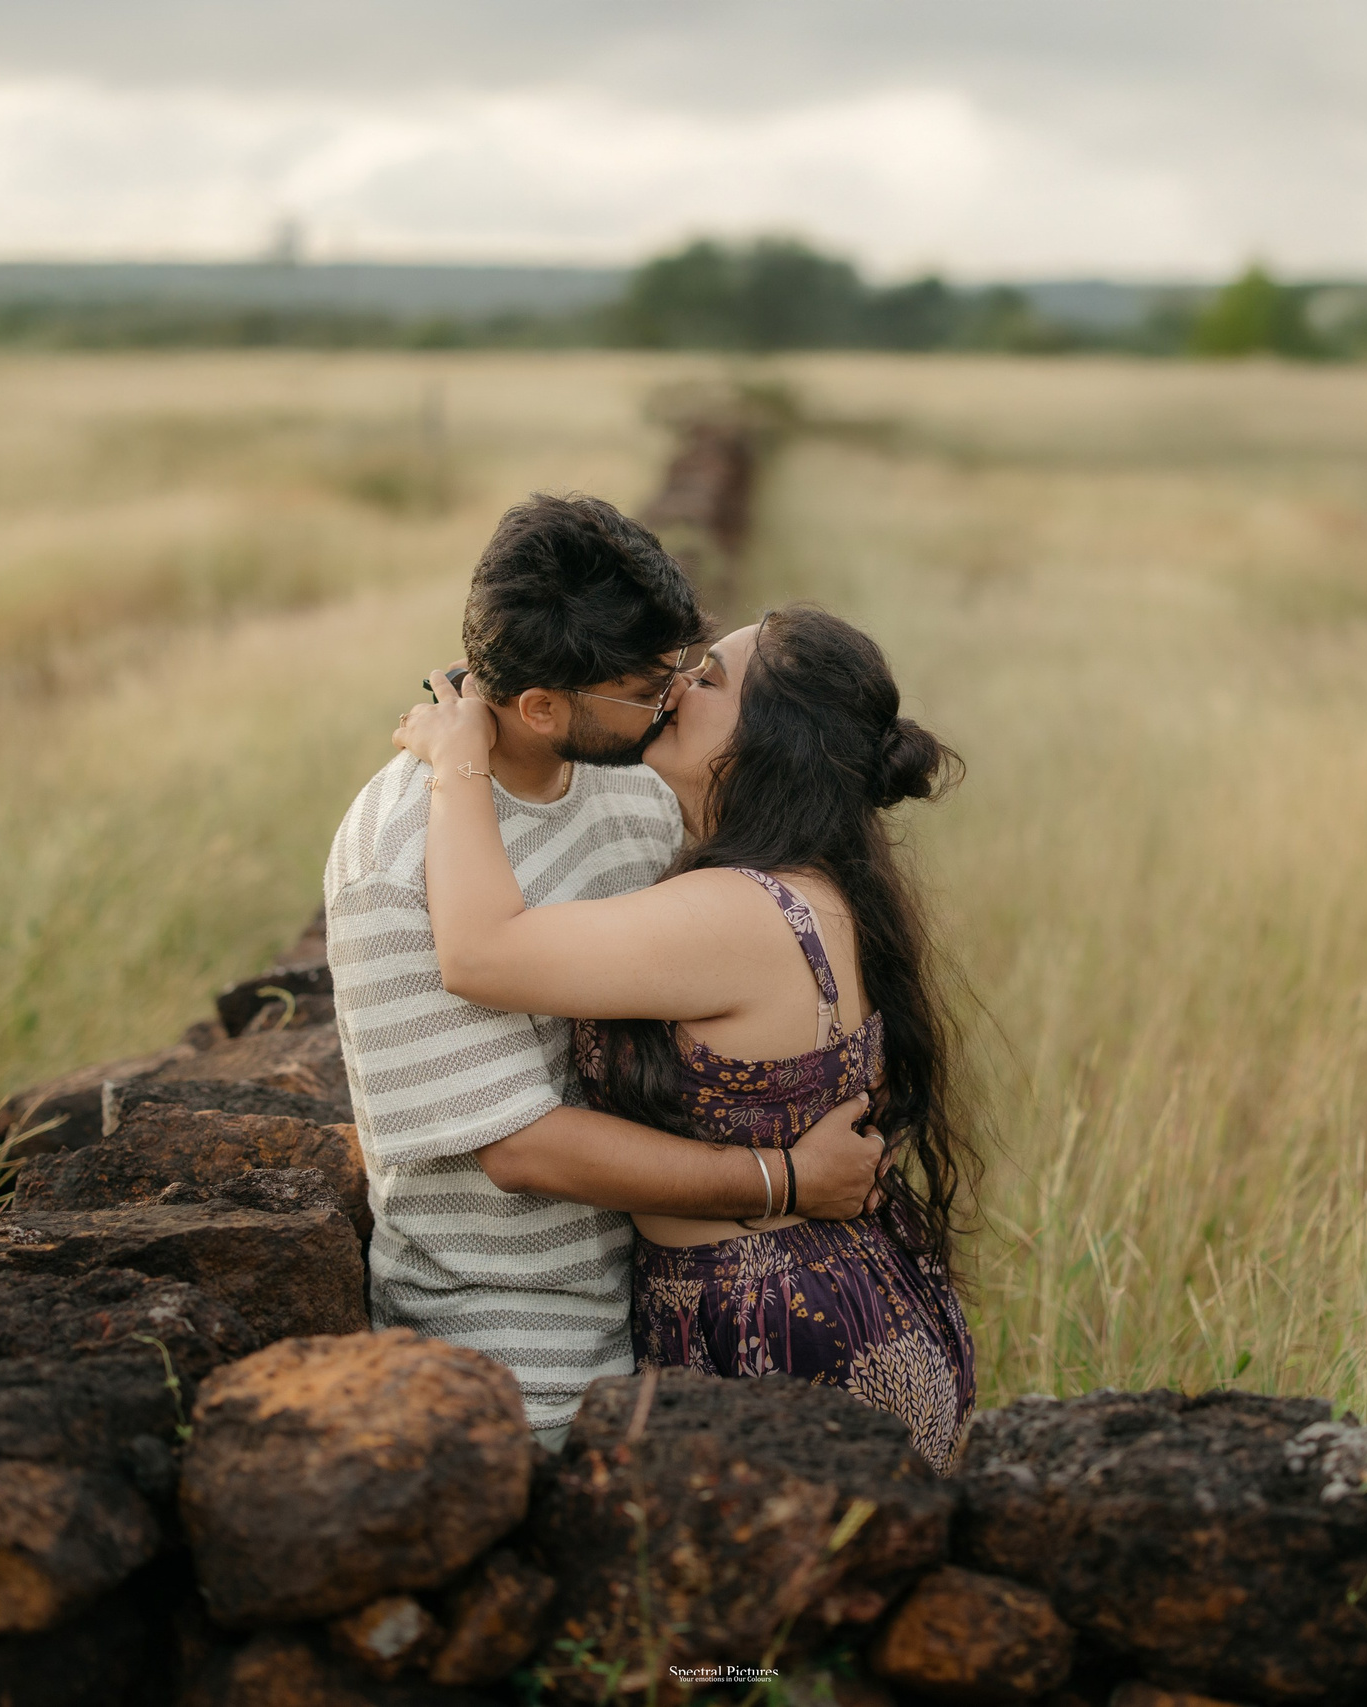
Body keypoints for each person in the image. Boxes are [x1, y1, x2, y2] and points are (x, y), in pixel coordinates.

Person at [322, 496, 891, 1448]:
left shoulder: (635, 783)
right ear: (542, 706)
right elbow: (520, 1149)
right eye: (649, 684)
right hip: (515, 1348)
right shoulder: (399, 855)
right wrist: (784, 1179)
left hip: (666, 1318)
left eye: (686, 668)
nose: (677, 696)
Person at [395, 602, 977, 1469]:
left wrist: (457, 758)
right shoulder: (809, 880)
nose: (675, 687)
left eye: (709, 679)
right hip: (830, 1301)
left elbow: (480, 952)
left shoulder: (737, 913)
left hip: (787, 1341)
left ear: (767, 742)